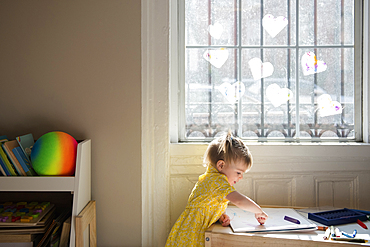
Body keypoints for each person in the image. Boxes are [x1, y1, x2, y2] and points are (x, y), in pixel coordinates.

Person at [165, 131, 268, 246]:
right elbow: (239, 200)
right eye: (238, 172)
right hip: (191, 236)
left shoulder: (215, 180)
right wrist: (258, 210)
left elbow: (209, 206)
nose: (241, 177)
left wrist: (219, 216)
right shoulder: (216, 181)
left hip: (193, 232)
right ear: (221, 165)